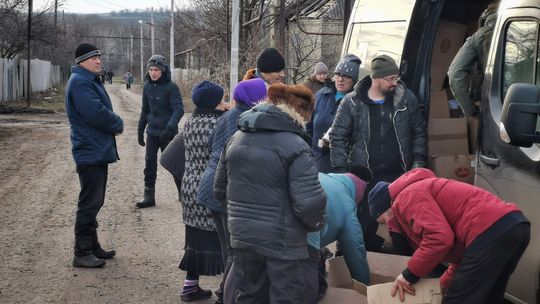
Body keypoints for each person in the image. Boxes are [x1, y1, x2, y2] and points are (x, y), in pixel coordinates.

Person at [214, 83, 326, 303]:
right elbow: (309, 203)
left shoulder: (236, 139)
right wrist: (316, 225)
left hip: (243, 237)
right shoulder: (296, 146)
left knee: (248, 294)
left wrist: (242, 217)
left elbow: (219, 189)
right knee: (285, 297)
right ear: (300, 114)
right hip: (284, 243)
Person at [368, 168, 530, 304]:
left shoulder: (405, 198)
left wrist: (408, 274)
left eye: (383, 220)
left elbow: (439, 239)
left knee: (456, 300)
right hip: (514, 227)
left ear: (386, 206)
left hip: (489, 232)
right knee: (489, 297)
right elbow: (461, 255)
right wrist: (441, 285)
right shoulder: (420, 189)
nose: (388, 224)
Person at [329, 54, 427, 252]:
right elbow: (337, 137)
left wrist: (419, 161)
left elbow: (419, 133)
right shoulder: (351, 102)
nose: (394, 83)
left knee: (402, 227)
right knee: (363, 228)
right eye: (390, 79)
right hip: (366, 177)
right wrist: (342, 174)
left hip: (399, 174)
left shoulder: (406, 99)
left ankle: (399, 268)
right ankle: (360, 271)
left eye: (396, 78)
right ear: (376, 78)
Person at [196, 78, 267, 304]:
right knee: (235, 253)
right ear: (256, 98)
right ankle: (225, 296)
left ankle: (224, 293)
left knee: (228, 250)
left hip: (210, 187)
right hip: (226, 190)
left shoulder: (227, 114)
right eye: (263, 95)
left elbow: (210, 145)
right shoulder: (249, 119)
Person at [65, 43, 124, 268]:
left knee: (95, 201)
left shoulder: (87, 79)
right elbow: (95, 113)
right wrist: (117, 122)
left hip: (95, 150)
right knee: (89, 203)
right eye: (92, 58)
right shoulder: (80, 82)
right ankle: (81, 252)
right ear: (81, 61)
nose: (98, 61)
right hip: (89, 151)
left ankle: (93, 246)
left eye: (99, 57)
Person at [179, 80, 227, 302]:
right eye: (222, 99)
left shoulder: (190, 122)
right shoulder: (218, 125)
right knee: (223, 241)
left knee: (195, 240)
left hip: (189, 188)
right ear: (215, 103)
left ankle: (190, 287)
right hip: (210, 189)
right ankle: (227, 289)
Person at [306, 165, 373, 300]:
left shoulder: (326, 177)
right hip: (304, 241)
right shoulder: (347, 205)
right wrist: (365, 287)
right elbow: (355, 249)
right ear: (358, 195)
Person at [136, 55, 184, 208]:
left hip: (168, 134)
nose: (153, 73)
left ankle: (184, 193)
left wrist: (169, 128)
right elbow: (145, 110)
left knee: (174, 163)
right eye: (150, 70)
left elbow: (179, 110)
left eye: (156, 69)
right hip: (152, 132)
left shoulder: (171, 87)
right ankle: (149, 196)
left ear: (162, 70)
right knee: (149, 162)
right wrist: (140, 129)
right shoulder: (147, 87)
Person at [306, 54, 361, 173]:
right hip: (315, 163)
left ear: (354, 80)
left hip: (340, 169)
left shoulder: (357, 102)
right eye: (338, 75)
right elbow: (308, 129)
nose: (341, 79)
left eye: (346, 76)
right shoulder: (321, 95)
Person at [448, 3, 498, 117]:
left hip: (494, 108)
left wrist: (471, 110)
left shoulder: (478, 36)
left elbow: (455, 75)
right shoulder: (526, 27)